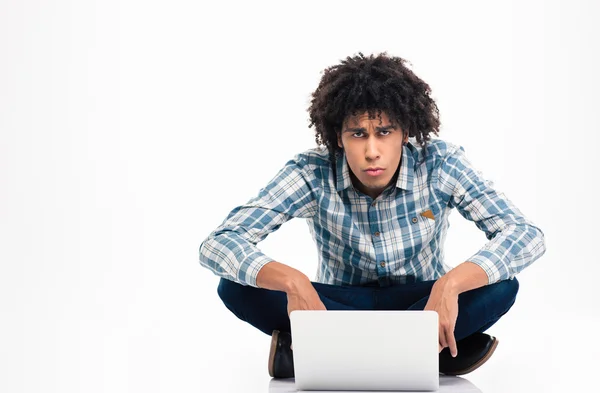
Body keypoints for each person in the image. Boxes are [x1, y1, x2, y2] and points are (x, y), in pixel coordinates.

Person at [198, 52, 546, 378]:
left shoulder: (441, 163)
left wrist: (450, 284)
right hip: (337, 306)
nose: (371, 151)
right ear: (338, 138)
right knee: (235, 286)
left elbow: (524, 234)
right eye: (358, 134)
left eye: (384, 132)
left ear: (405, 133)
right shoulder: (311, 171)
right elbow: (219, 244)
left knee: (501, 285)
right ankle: (425, 353)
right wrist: (294, 282)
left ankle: (318, 353)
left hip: (420, 302)